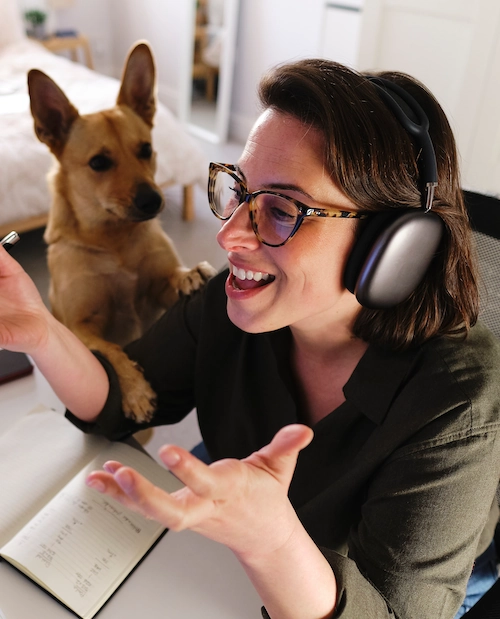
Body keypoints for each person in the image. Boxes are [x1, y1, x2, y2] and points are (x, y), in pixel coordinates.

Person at [0, 58, 499, 619]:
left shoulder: (458, 402)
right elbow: (123, 401)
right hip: (248, 536)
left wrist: (272, 539)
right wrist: (41, 332)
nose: (228, 233)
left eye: (281, 209)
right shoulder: (235, 303)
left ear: (391, 246)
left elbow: (395, 612)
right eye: (239, 191)